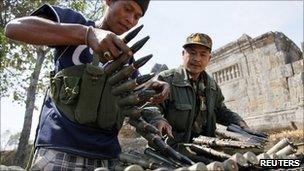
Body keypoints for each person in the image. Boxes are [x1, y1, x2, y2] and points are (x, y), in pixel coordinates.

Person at [5, 0, 170, 170]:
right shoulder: (74, 22)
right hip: (60, 150)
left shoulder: (127, 58)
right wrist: (87, 34)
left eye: (137, 16)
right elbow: (14, 28)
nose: (131, 20)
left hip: (106, 157)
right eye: (127, 9)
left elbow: (131, 100)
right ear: (109, 1)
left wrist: (151, 88)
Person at [149, 33, 249, 150]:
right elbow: (151, 106)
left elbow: (221, 111)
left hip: (204, 148)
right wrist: (158, 119)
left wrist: (240, 123)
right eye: (192, 53)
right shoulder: (167, 80)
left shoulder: (212, 86)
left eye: (203, 54)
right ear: (183, 54)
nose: (197, 58)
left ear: (209, 59)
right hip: (171, 150)